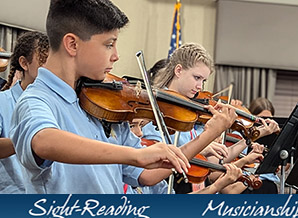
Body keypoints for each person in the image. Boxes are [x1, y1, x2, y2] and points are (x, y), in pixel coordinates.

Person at [9, 0, 237, 194]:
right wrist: (133, 156)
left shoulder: (102, 103)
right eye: (109, 45)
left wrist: (209, 134)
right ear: (72, 44)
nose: (116, 56)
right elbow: (43, 140)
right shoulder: (36, 100)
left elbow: (148, 174)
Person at [146, 43, 272, 193]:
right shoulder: (155, 111)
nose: (200, 86)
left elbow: (213, 162)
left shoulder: (187, 113)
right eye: (197, 78)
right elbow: (153, 167)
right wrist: (207, 139)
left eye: (203, 81)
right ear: (178, 70)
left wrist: (244, 138)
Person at [0, 31, 49, 193]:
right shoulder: (3, 102)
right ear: (24, 63)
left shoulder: (59, 104)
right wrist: (32, 140)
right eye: (43, 60)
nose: (50, 68)